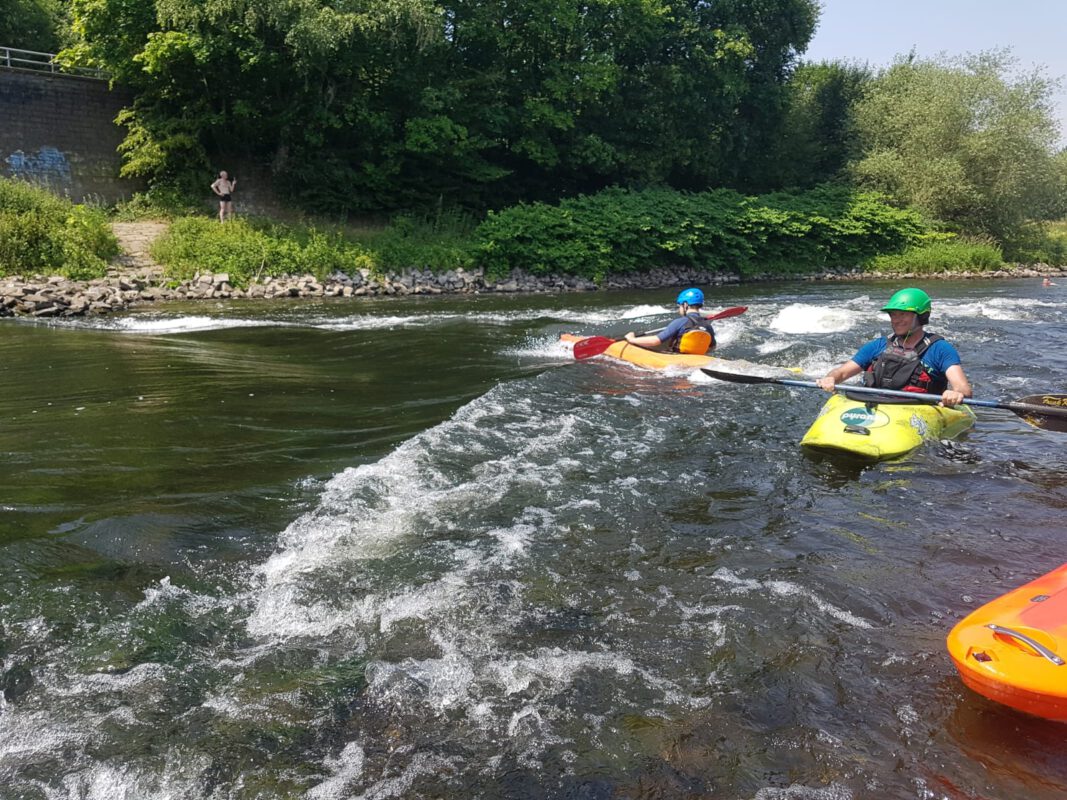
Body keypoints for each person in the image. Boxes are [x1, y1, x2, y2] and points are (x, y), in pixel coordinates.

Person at [815, 288, 972, 407]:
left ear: (921, 316)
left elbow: (963, 388)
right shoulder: (878, 345)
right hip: (876, 405)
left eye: (903, 314)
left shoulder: (940, 349)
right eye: (893, 315)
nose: (896, 320)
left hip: (918, 409)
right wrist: (831, 378)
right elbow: (842, 372)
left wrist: (955, 394)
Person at [623, 288, 717, 355]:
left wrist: (632, 339)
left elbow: (656, 341)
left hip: (678, 358)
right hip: (698, 358)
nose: (679, 309)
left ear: (685, 305)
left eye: (679, 306)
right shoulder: (707, 325)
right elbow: (712, 347)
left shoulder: (680, 322)